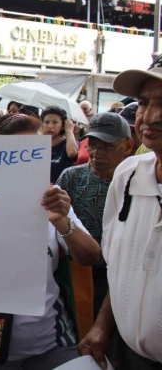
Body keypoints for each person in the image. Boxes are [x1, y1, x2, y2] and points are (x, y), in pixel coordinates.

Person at [0, 114, 101, 370]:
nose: (26, 161)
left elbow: (90, 256)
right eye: (15, 153)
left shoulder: (53, 199)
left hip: (48, 343)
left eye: (35, 152)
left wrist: (62, 221)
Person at [79, 58, 162, 368]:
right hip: (125, 355)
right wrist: (103, 325)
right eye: (143, 102)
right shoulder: (127, 175)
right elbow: (123, 269)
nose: (151, 116)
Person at [56, 113, 134, 318]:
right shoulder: (71, 177)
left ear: (128, 146)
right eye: (92, 144)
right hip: (78, 273)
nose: (97, 153)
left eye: (107, 147)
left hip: (123, 276)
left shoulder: (136, 181)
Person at [40, 106, 78, 184]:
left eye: (55, 122)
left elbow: (72, 153)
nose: (50, 126)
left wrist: (69, 131)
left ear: (62, 126)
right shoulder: (38, 143)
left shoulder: (69, 142)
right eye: (46, 122)